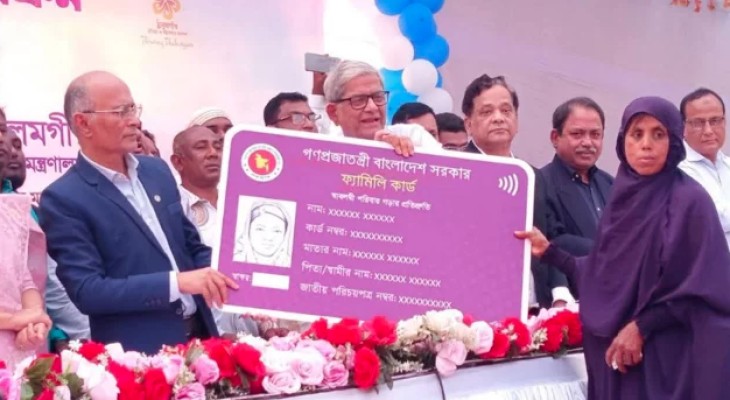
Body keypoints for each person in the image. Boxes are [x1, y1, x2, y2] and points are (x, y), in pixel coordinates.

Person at [517, 96, 730, 399]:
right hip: (618, 357)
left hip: (669, 358)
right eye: (636, 134)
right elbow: (607, 272)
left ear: (674, 141)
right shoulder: (623, 198)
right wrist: (551, 253)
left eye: (658, 134)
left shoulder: (689, 201)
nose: (646, 145)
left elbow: (703, 287)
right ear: (623, 141)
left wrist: (642, 327)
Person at [39, 71, 238, 353]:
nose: (134, 120)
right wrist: (176, 283)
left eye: (133, 109)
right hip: (140, 356)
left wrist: (246, 286)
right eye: (121, 112)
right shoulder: (64, 198)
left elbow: (191, 248)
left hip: (202, 339)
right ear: (83, 123)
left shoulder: (156, 171)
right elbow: (88, 291)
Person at [461, 74, 574, 310]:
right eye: (487, 112)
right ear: (468, 124)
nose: (498, 118)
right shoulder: (455, 171)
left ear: (517, 119)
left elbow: (550, 238)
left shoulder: (533, 176)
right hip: (473, 308)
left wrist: (560, 294)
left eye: (506, 110)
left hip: (535, 308)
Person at [0, 129, 52, 368]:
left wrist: (33, 322)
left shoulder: (11, 210)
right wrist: (13, 320)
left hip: (15, 362)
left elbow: (23, 278)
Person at [542, 97, 613, 259]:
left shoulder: (611, 185)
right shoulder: (540, 184)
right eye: (577, 134)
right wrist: (608, 253)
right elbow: (552, 241)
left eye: (595, 134)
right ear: (555, 137)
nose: (588, 142)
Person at [323, 60, 441, 154]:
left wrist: (403, 156)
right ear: (333, 113)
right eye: (359, 100)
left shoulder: (415, 137)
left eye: (378, 97)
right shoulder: (325, 153)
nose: (373, 107)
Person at [678, 88, 730, 247]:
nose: (708, 131)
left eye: (715, 121)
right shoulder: (678, 170)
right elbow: (710, 220)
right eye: (698, 123)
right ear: (683, 127)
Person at [233, 202, 292, 267]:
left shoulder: (290, 264)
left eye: (277, 231)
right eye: (260, 229)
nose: (268, 237)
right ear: (248, 231)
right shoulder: (235, 261)